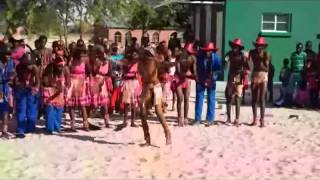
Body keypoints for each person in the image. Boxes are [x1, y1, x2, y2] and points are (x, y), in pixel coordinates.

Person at [138, 46, 171, 146]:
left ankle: (167, 133)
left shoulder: (155, 61)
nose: (148, 56)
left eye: (149, 54)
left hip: (156, 87)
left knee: (158, 112)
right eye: (146, 54)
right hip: (146, 87)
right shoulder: (141, 62)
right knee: (142, 112)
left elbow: (167, 70)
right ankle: (147, 139)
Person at [194, 42, 222, 126]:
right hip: (201, 79)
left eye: (209, 51)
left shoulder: (216, 58)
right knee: (199, 98)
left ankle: (210, 119)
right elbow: (196, 68)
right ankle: (197, 119)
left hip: (212, 80)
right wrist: (197, 78)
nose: (207, 52)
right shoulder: (199, 57)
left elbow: (220, 70)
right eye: (206, 51)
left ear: (212, 51)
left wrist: (214, 74)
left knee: (211, 98)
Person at [14, 51, 40, 138]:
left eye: (30, 64)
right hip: (21, 88)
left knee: (32, 108)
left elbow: (38, 81)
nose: (29, 65)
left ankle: (30, 127)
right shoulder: (19, 67)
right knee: (22, 108)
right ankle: (21, 129)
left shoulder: (35, 68)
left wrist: (35, 89)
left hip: (31, 88)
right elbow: (17, 80)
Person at [224, 38, 249, 126]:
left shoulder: (242, 56)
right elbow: (225, 64)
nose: (235, 48)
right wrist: (225, 62)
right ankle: (228, 118)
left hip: (239, 77)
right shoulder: (229, 54)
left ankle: (237, 119)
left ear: (239, 47)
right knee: (229, 97)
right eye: (234, 46)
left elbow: (247, 67)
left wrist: (244, 73)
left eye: (237, 46)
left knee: (238, 98)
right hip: (231, 77)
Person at [66, 40, 90, 131]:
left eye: (82, 51)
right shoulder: (72, 58)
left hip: (81, 81)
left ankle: (85, 124)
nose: (81, 54)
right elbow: (68, 68)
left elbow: (88, 70)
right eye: (79, 51)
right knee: (71, 104)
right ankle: (72, 124)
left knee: (82, 104)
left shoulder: (86, 59)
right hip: (72, 80)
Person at [249, 37, 271, 128]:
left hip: (263, 75)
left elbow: (267, 68)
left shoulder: (266, 53)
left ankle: (262, 120)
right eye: (258, 45)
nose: (259, 47)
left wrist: (264, 59)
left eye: (261, 46)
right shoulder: (252, 52)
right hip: (255, 74)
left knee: (262, 99)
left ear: (263, 46)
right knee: (254, 99)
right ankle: (254, 119)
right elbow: (249, 63)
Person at [42, 56, 67, 134]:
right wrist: (55, 86)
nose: (61, 68)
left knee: (59, 111)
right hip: (50, 92)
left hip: (59, 93)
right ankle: (50, 128)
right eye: (59, 66)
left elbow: (68, 82)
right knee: (50, 111)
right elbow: (45, 82)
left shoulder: (63, 70)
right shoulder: (49, 70)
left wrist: (65, 89)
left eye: (62, 66)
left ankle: (57, 127)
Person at [88, 45, 111, 128]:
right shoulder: (94, 61)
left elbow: (109, 73)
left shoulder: (107, 61)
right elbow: (93, 72)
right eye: (101, 52)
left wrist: (105, 80)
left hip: (103, 82)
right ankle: (88, 120)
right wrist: (98, 65)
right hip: (95, 82)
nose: (103, 54)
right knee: (93, 103)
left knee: (104, 103)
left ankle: (106, 121)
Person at [174, 43, 197, 126]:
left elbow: (194, 70)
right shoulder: (179, 58)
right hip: (178, 78)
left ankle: (186, 118)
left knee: (187, 98)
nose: (189, 54)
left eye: (190, 53)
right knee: (180, 98)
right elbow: (179, 71)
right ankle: (180, 117)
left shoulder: (193, 58)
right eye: (188, 52)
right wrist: (190, 75)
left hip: (187, 78)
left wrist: (194, 75)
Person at [119, 49, 141, 127]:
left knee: (134, 103)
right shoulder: (125, 62)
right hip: (127, 83)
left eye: (135, 55)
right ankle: (125, 121)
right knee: (127, 103)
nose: (134, 56)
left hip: (134, 83)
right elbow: (126, 68)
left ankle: (132, 121)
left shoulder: (136, 63)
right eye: (133, 55)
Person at [0, 45, 15, 138]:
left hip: (5, 88)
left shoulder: (10, 62)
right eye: (6, 54)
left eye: (9, 54)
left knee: (5, 107)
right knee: (2, 106)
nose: (8, 56)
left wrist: (12, 76)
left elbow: (11, 74)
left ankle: (5, 129)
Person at [304, 41, 318, 107]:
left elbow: (316, 65)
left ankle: (313, 103)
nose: (309, 47)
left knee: (313, 89)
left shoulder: (314, 54)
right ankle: (307, 102)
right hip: (305, 74)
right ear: (306, 46)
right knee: (306, 89)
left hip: (312, 74)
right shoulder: (303, 53)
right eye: (308, 45)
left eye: (310, 46)